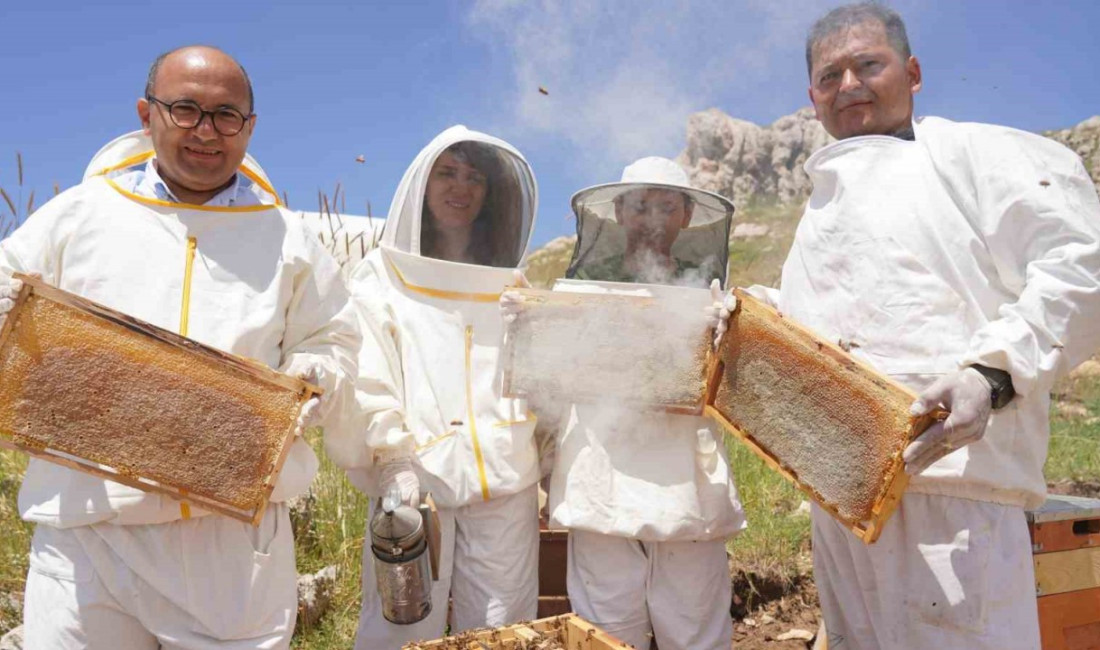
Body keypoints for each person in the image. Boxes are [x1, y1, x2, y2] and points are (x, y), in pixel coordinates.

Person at [744, 4, 1100, 648]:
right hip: (842, 500)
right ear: (812, 98)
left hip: (956, 490)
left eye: (867, 65)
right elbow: (824, 329)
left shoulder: (978, 154)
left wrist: (992, 374)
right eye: (830, 77)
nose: (848, 85)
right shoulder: (818, 216)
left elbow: (1083, 265)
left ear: (911, 72)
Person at [0, 46, 359, 649]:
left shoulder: (289, 238)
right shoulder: (77, 215)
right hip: (88, 529)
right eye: (185, 109)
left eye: (226, 115)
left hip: (232, 546)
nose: (205, 131)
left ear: (250, 127)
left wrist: (313, 375)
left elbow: (338, 339)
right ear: (147, 114)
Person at [511, 156, 745, 650]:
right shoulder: (576, 292)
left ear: (686, 216)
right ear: (617, 213)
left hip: (687, 485)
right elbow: (545, 390)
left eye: (667, 206)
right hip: (600, 477)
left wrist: (735, 329)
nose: (653, 218)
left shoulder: (711, 297)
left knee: (695, 625)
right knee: (606, 629)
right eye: (640, 206)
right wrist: (525, 330)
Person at [326, 126, 542, 649]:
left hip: (507, 483)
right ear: (422, 183)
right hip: (415, 485)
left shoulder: (512, 283)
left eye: (474, 178)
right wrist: (392, 461)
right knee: (401, 629)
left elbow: (538, 379)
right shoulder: (380, 276)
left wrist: (552, 455)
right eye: (448, 173)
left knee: (504, 631)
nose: (460, 188)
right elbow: (369, 374)